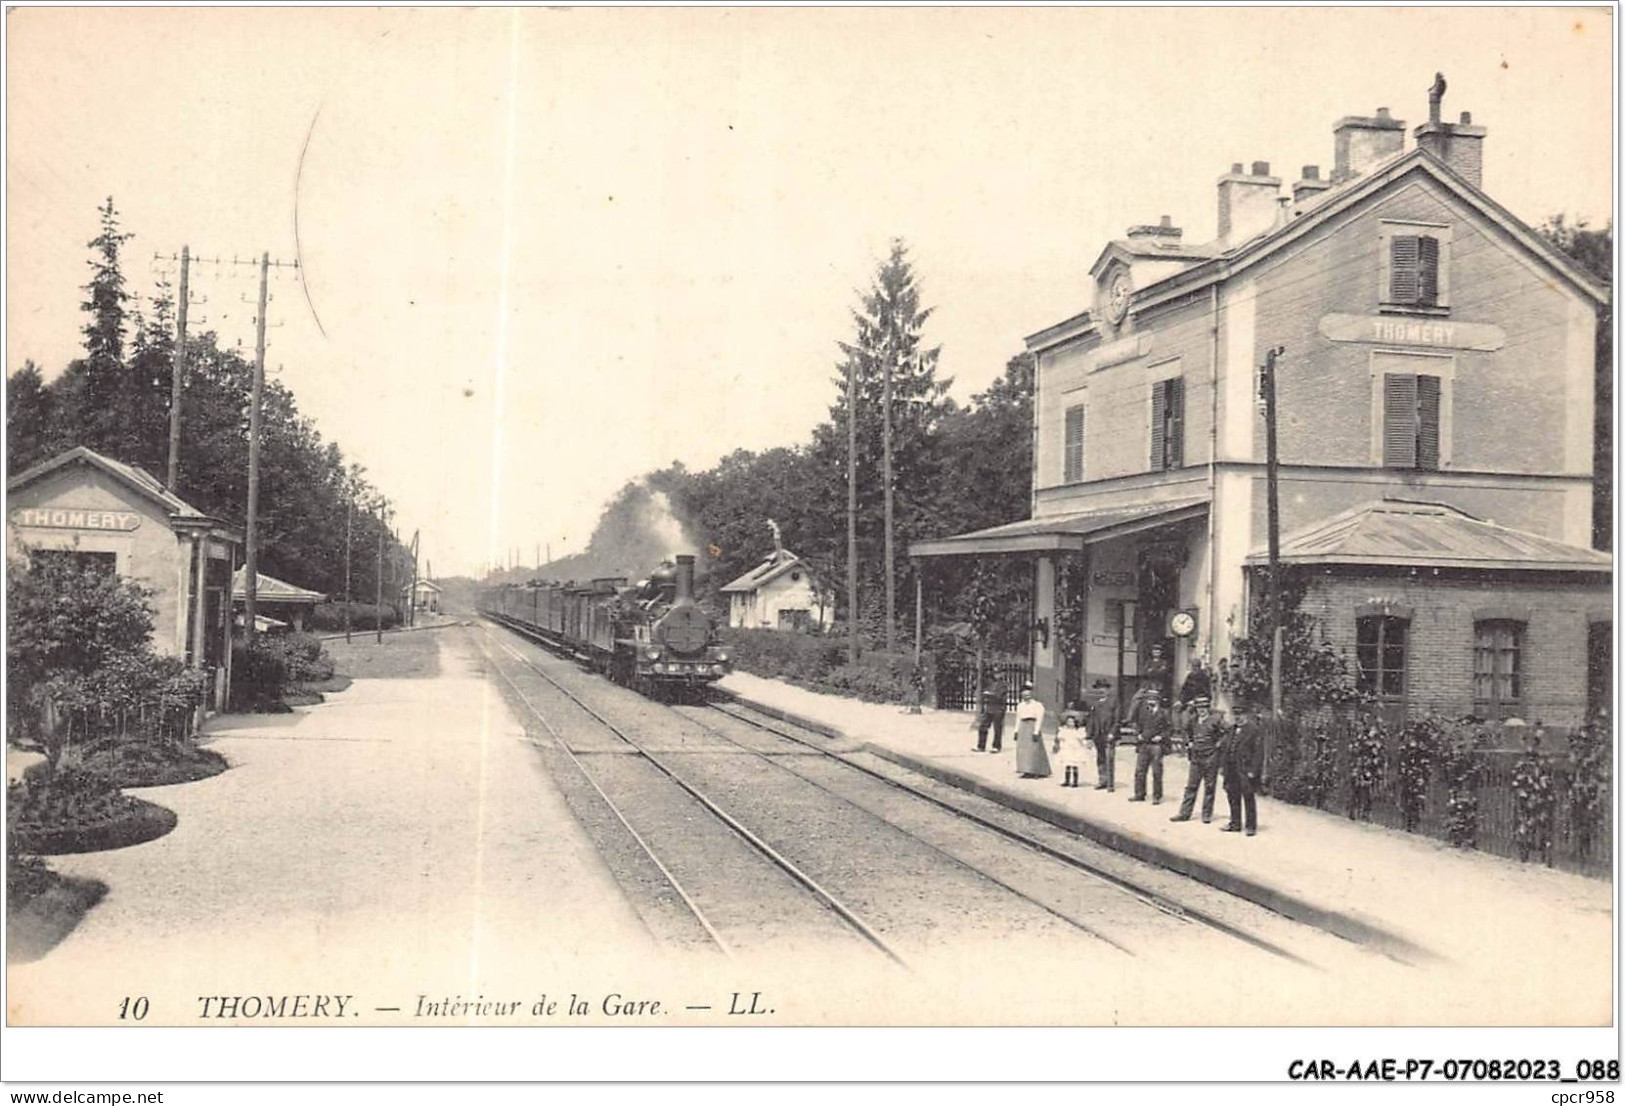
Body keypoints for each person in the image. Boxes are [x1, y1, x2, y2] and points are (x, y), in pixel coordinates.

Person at [1171, 696, 1226, 823]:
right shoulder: (1193, 720)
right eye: (1199, 708)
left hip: (1210, 757)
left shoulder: (1216, 720)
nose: (1201, 710)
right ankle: (1184, 813)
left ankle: (1206, 815)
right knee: (1191, 786)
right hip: (1196, 757)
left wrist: (1218, 744)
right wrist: (1189, 742)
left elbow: (1227, 732)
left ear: (1208, 708)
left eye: (1204, 707)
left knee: (1209, 787)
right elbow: (1186, 732)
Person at [1221, 702, 1265, 835]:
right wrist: (1223, 767)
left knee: (1248, 796)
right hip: (1231, 768)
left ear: (1247, 715)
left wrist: (1253, 770)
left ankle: (1251, 826)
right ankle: (1235, 823)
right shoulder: (1231, 730)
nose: (1238, 717)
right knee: (1232, 796)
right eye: (1236, 714)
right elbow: (1226, 748)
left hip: (1245, 769)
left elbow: (1259, 752)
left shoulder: (1253, 730)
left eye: (1241, 714)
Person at [1128, 686, 1171, 803]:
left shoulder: (1163, 713)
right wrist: (1138, 734)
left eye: (1153, 699)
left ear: (1158, 700)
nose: (1150, 701)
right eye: (1148, 699)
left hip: (1156, 746)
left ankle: (1157, 796)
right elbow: (1136, 724)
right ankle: (1139, 794)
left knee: (1157, 771)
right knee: (1140, 771)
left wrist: (1161, 736)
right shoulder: (1142, 712)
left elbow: (1168, 729)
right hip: (1143, 744)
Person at [1086, 680, 1121, 791]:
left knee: (1109, 758)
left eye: (1104, 688)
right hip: (1098, 735)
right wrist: (1089, 736)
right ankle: (1102, 780)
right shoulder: (1095, 703)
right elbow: (1091, 720)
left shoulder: (1114, 702)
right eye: (1099, 688)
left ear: (1108, 690)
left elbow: (1117, 720)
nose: (1102, 690)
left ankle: (1110, 784)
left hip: (1109, 735)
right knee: (1100, 758)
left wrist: (1112, 733)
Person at [1013, 683, 1051, 779]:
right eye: (1024, 695)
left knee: (1034, 749)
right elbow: (1018, 718)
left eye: (1028, 695)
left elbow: (1039, 718)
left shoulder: (1038, 705)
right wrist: (1016, 730)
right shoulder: (1020, 706)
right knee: (1023, 750)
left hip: (1032, 726)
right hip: (1023, 727)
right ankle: (1026, 770)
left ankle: (1036, 770)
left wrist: (1036, 731)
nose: (1026, 697)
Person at [1054, 703, 1089, 788]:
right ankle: (1067, 780)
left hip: (1076, 749)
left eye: (1072, 722)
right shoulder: (1064, 730)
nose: (1070, 723)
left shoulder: (1078, 731)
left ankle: (1075, 781)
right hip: (1067, 749)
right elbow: (1060, 738)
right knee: (1067, 764)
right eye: (1069, 722)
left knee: (1075, 765)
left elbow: (1082, 739)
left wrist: (1085, 744)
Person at [974, 671, 1008, 754]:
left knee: (997, 728)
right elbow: (983, 693)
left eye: (998, 673)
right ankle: (981, 746)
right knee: (983, 726)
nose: (996, 675)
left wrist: (989, 694)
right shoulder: (990, 683)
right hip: (989, 707)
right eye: (995, 673)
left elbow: (999, 696)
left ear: (1002, 674)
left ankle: (996, 746)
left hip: (998, 708)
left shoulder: (1003, 685)